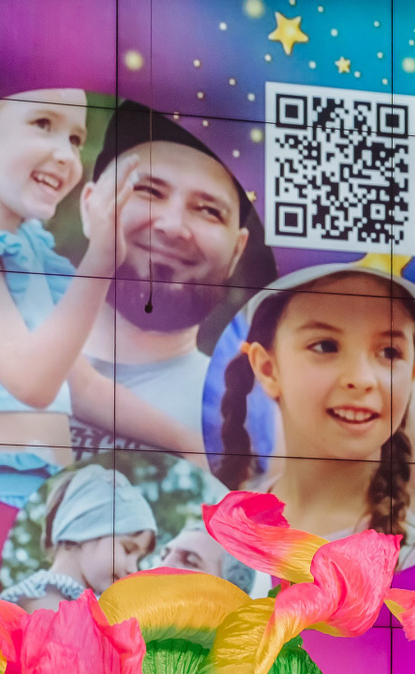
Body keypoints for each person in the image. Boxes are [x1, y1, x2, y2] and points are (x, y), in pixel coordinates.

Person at [0, 89, 190, 509]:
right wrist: (100, 259)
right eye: (43, 124)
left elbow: (82, 387)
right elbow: (31, 384)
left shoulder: (27, 250)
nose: (66, 155)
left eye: (75, 139)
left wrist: (188, 442)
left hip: (43, 489)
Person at [212, 261, 415, 570]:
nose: (362, 378)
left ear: (412, 375)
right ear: (268, 368)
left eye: (389, 352)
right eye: (325, 346)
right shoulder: (218, 535)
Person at [67, 106, 264, 459]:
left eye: (209, 211)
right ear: (89, 206)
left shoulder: (249, 428)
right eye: (148, 191)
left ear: (237, 251)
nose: (172, 227)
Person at [0, 465, 158, 610]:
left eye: (139, 558)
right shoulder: (42, 598)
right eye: (127, 549)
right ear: (84, 531)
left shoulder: (94, 604)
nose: (133, 569)